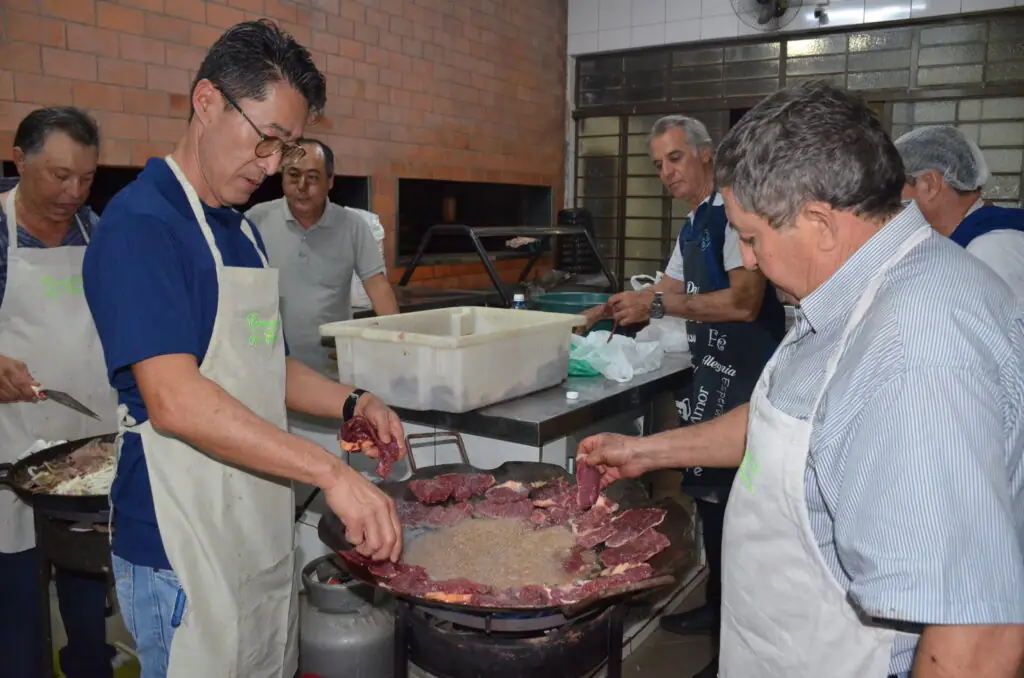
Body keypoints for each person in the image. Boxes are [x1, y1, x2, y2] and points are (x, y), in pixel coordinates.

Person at [578, 81, 1024, 678]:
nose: (752, 261)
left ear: (819, 221)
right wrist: (644, 451)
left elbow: (978, 635)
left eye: (755, 239)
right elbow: (788, 421)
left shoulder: (916, 344)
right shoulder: (856, 292)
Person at [81, 21, 405, 678]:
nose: (270, 166)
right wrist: (331, 472)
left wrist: (353, 399)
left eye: (288, 149)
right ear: (206, 102)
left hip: (255, 527)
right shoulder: (143, 226)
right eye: (265, 140)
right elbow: (173, 399)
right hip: (180, 543)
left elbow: (267, 366)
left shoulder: (239, 232)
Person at [582, 115, 786, 676]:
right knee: (710, 506)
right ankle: (716, 609)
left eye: (674, 159)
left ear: (705, 155)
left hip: (745, 374)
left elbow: (743, 301)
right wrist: (598, 313)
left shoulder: (731, 214)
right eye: (657, 164)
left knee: (739, 511)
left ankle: (733, 647)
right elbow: (665, 288)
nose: (665, 173)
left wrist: (658, 307)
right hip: (711, 375)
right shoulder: (693, 223)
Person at [0, 107, 118, 678]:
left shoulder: (99, 233)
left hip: (85, 457)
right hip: (10, 453)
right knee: (17, 603)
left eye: (87, 178)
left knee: (86, 589)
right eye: (58, 175)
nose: (73, 192)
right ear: (18, 159)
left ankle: (90, 662)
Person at [245, 137, 398, 378]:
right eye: (293, 175)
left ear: (330, 181)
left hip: (332, 369)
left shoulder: (353, 226)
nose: (302, 186)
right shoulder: (257, 219)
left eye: (313, 177)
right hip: (271, 368)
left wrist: (400, 347)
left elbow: (378, 289)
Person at [895, 125, 1024, 299]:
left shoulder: (989, 251)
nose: (889, 202)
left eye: (893, 187)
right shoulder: (969, 238)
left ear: (930, 184)